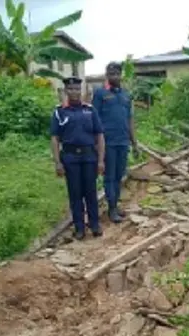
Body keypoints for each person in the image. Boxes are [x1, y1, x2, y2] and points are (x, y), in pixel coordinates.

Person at [50, 76, 106, 240]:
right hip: (70, 157)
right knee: (75, 194)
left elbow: (99, 135)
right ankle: (79, 228)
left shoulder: (90, 110)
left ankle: (95, 225)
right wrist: (57, 162)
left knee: (90, 192)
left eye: (77, 89)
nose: (74, 92)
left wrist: (101, 160)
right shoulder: (59, 112)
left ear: (81, 91)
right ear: (66, 91)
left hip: (89, 156)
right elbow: (54, 138)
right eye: (71, 89)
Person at [91, 61, 137, 223]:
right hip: (107, 143)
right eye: (111, 74)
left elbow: (130, 119)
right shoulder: (100, 94)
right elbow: (94, 119)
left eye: (117, 73)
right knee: (109, 176)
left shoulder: (126, 95)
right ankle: (111, 209)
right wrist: (95, 144)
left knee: (119, 175)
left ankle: (115, 205)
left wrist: (134, 142)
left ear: (121, 74)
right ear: (107, 75)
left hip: (123, 142)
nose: (114, 76)